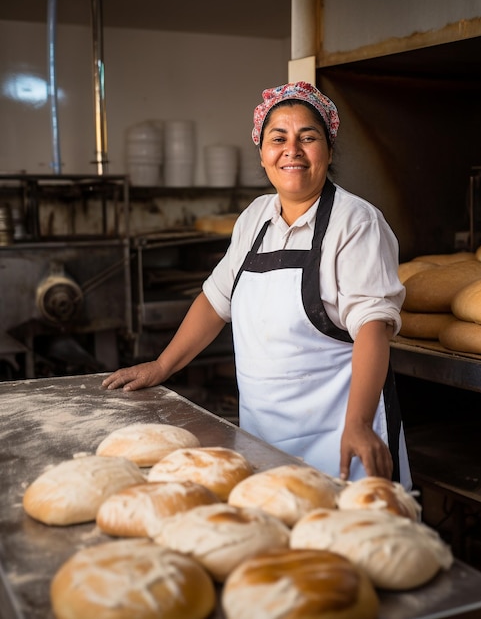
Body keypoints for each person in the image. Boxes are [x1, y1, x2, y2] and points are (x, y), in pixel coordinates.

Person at [103, 81, 412, 489]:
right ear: (262, 153)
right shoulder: (255, 218)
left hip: (341, 445)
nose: (292, 150)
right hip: (264, 442)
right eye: (278, 138)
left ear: (329, 150)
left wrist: (357, 424)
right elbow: (215, 302)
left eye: (308, 138)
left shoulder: (356, 222)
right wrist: (163, 366)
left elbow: (374, 327)